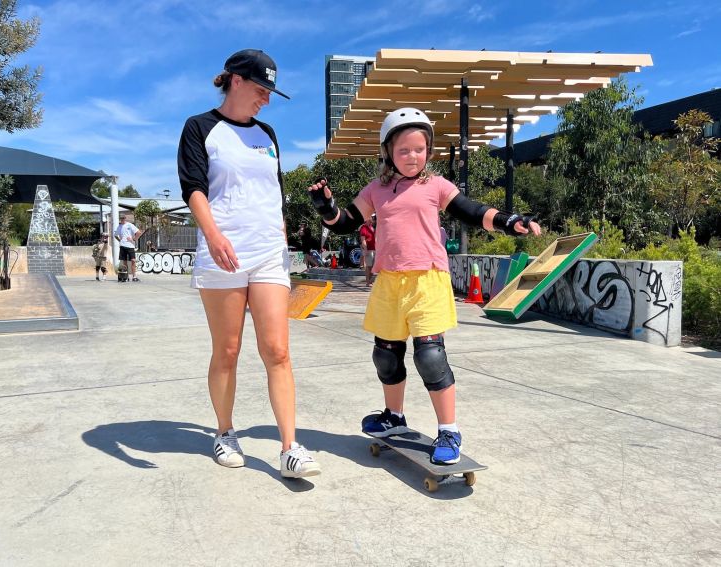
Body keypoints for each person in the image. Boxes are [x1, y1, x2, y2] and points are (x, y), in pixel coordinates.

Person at [308, 107, 541, 465]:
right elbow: (346, 222)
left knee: (430, 357)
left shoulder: (435, 185)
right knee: (385, 354)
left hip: (428, 279)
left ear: (429, 152)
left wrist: (509, 221)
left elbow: (471, 210)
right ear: (388, 152)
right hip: (389, 280)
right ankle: (394, 416)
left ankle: (448, 429)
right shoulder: (377, 189)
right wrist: (327, 208)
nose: (412, 156)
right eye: (404, 150)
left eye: (420, 149)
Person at [177, 48, 320, 479]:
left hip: (268, 256)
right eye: (261, 89)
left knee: (277, 350)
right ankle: (224, 432)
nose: (266, 99)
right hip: (222, 254)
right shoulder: (200, 128)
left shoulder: (268, 135)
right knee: (228, 349)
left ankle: (290, 448)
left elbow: (274, 193)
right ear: (235, 81)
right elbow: (194, 189)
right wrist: (214, 235)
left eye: (270, 92)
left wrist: (284, 240)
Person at [114, 215, 142, 282]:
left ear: (125, 218)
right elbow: (115, 235)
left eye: (123, 218)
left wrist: (134, 239)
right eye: (121, 218)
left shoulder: (130, 225)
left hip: (130, 246)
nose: (122, 219)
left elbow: (139, 232)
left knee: (133, 260)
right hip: (122, 246)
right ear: (120, 219)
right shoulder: (119, 226)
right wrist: (120, 240)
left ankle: (134, 276)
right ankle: (126, 276)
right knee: (124, 262)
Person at [359, 215, 376, 286]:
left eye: (372, 217)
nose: (372, 219)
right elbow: (363, 240)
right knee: (369, 266)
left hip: (374, 249)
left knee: (373, 266)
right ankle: (368, 282)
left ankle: (369, 280)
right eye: (371, 217)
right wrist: (365, 249)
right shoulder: (363, 228)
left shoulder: (372, 228)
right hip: (368, 249)